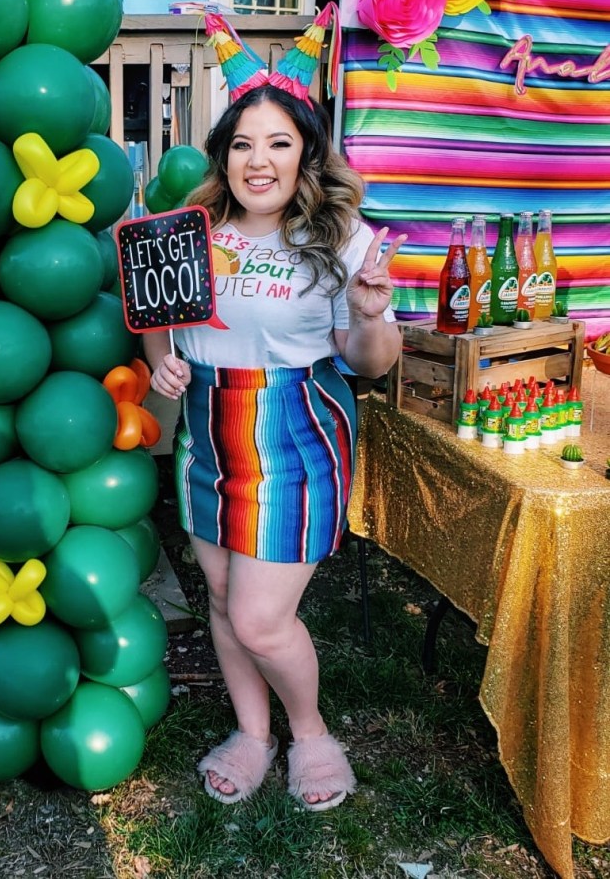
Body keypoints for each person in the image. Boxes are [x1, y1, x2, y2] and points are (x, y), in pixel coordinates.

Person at [143, 73, 406, 811]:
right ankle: (253, 734)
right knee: (225, 598)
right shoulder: (187, 231)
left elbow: (371, 365)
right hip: (206, 428)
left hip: (294, 427)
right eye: (242, 144)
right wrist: (161, 360)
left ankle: (311, 732)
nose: (259, 161)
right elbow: (157, 322)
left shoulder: (343, 239)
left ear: (306, 155)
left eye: (279, 143)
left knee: (261, 619)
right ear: (223, 156)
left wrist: (369, 316)